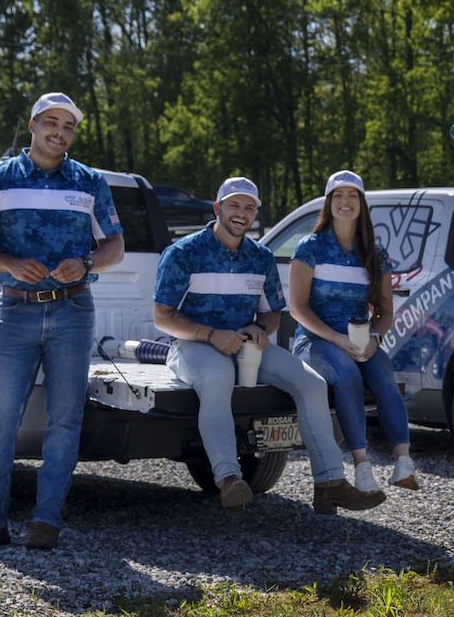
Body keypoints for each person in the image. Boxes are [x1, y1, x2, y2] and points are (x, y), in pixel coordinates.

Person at [0, 93, 123, 552]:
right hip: (15, 311)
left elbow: (114, 247)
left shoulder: (89, 182)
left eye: (68, 125)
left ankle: (46, 522)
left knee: (65, 420)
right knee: (0, 417)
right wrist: (8, 263)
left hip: (73, 310)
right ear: (32, 124)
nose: (59, 131)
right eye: (51, 122)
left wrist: (86, 262)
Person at [151, 177, 386, 515]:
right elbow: (163, 317)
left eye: (249, 207)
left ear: (255, 214)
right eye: (234, 205)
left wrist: (260, 329)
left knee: (312, 383)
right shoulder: (183, 253)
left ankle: (329, 483)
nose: (241, 213)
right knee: (217, 378)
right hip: (194, 345)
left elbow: (273, 312)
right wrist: (211, 335)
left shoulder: (261, 257)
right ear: (217, 208)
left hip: (247, 347)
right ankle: (229, 479)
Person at [286, 170, 422, 492]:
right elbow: (297, 308)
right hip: (315, 340)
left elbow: (385, 310)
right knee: (348, 374)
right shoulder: (310, 248)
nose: (344, 202)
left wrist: (374, 338)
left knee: (384, 375)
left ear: (361, 204)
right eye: (338, 196)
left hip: (362, 340)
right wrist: (336, 339)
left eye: (352, 196)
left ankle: (403, 462)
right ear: (328, 203)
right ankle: (362, 468)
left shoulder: (375, 253)